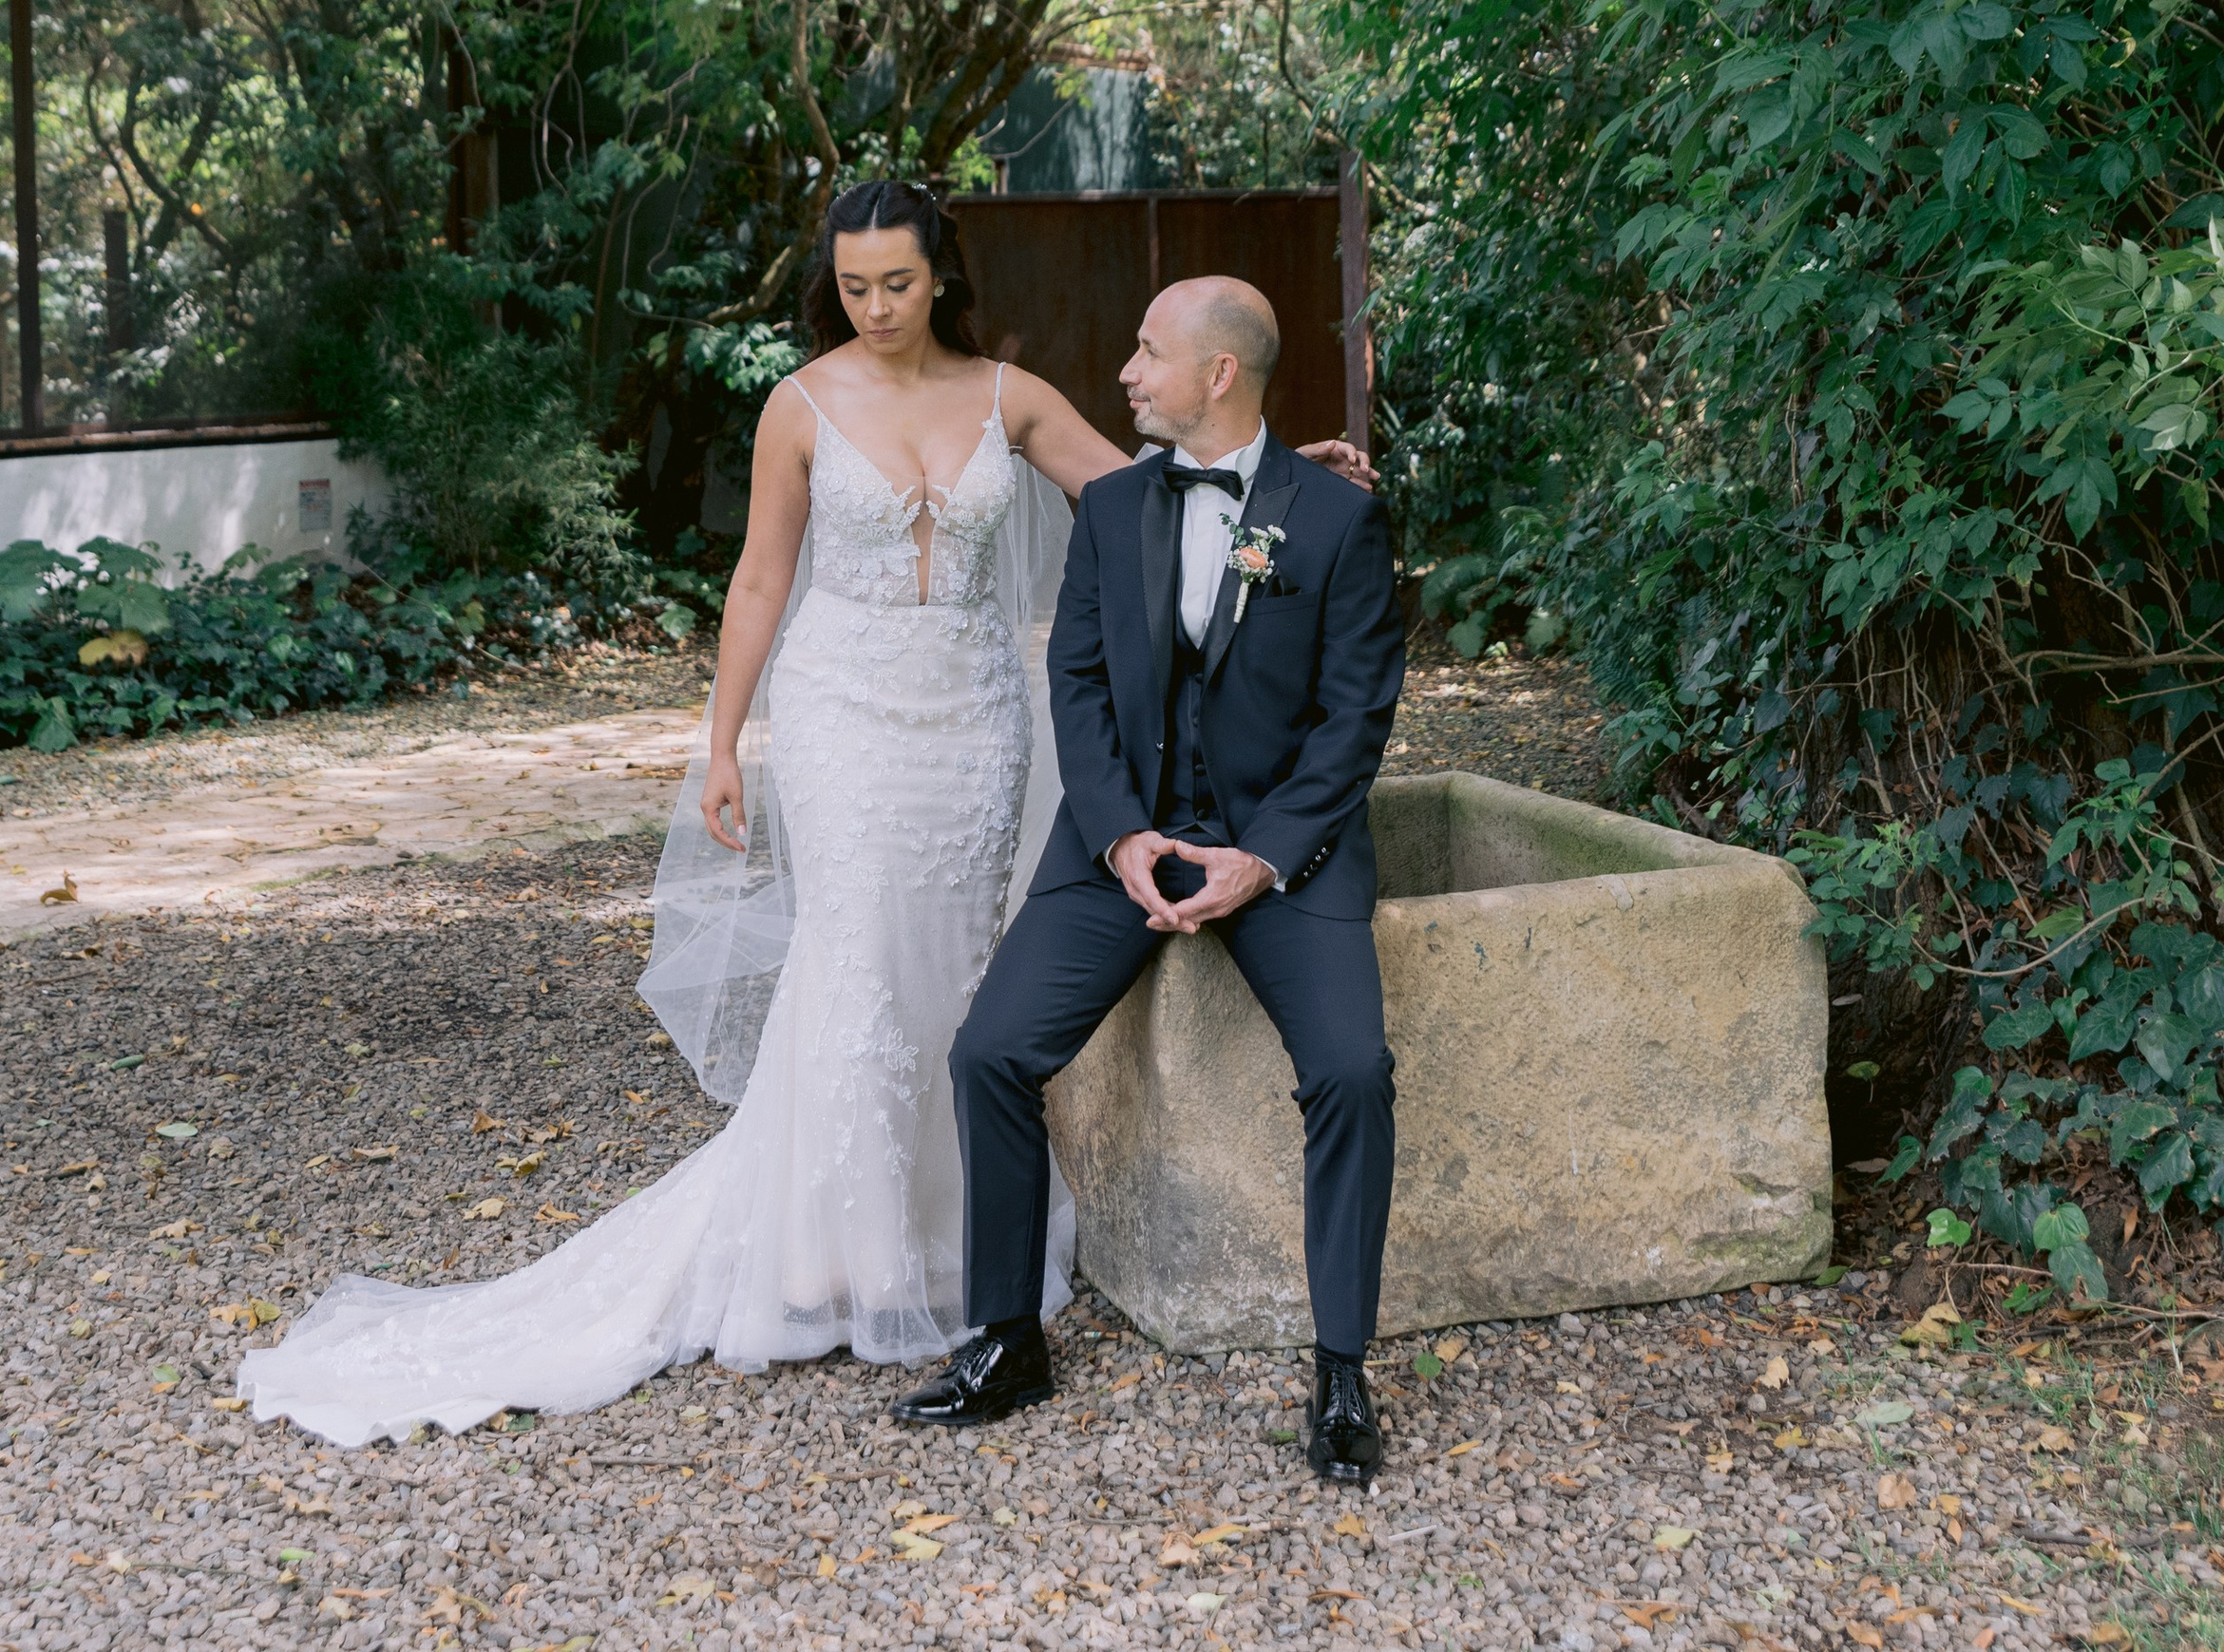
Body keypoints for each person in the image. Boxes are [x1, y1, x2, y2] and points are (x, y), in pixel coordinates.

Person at [238, 181, 1368, 1448]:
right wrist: (721, 743)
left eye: (897, 282)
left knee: (950, 969)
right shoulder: (801, 404)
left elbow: (1158, 489)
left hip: (974, 717)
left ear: (941, 275)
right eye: (852, 287)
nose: (876, 308)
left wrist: (1294, 477)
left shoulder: (1015, 396)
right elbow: (762, 574)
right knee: (854, 959)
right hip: (843, 712)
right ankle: (829, 1259)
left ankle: (950, 1255)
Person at [898, 275, 1405, 1486]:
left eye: (1145, 351)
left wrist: (1262, 856)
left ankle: (1341, 1370)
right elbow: (1075, 683)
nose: (1125, 371)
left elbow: (1354, 721)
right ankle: (1008, 1335)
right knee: (989, 1054)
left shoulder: (1330, 519)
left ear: (1218, 374)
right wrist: (1121, 835)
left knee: (1352, 1071)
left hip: (1283, 857)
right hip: (1118, 845)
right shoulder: (1116, 504)